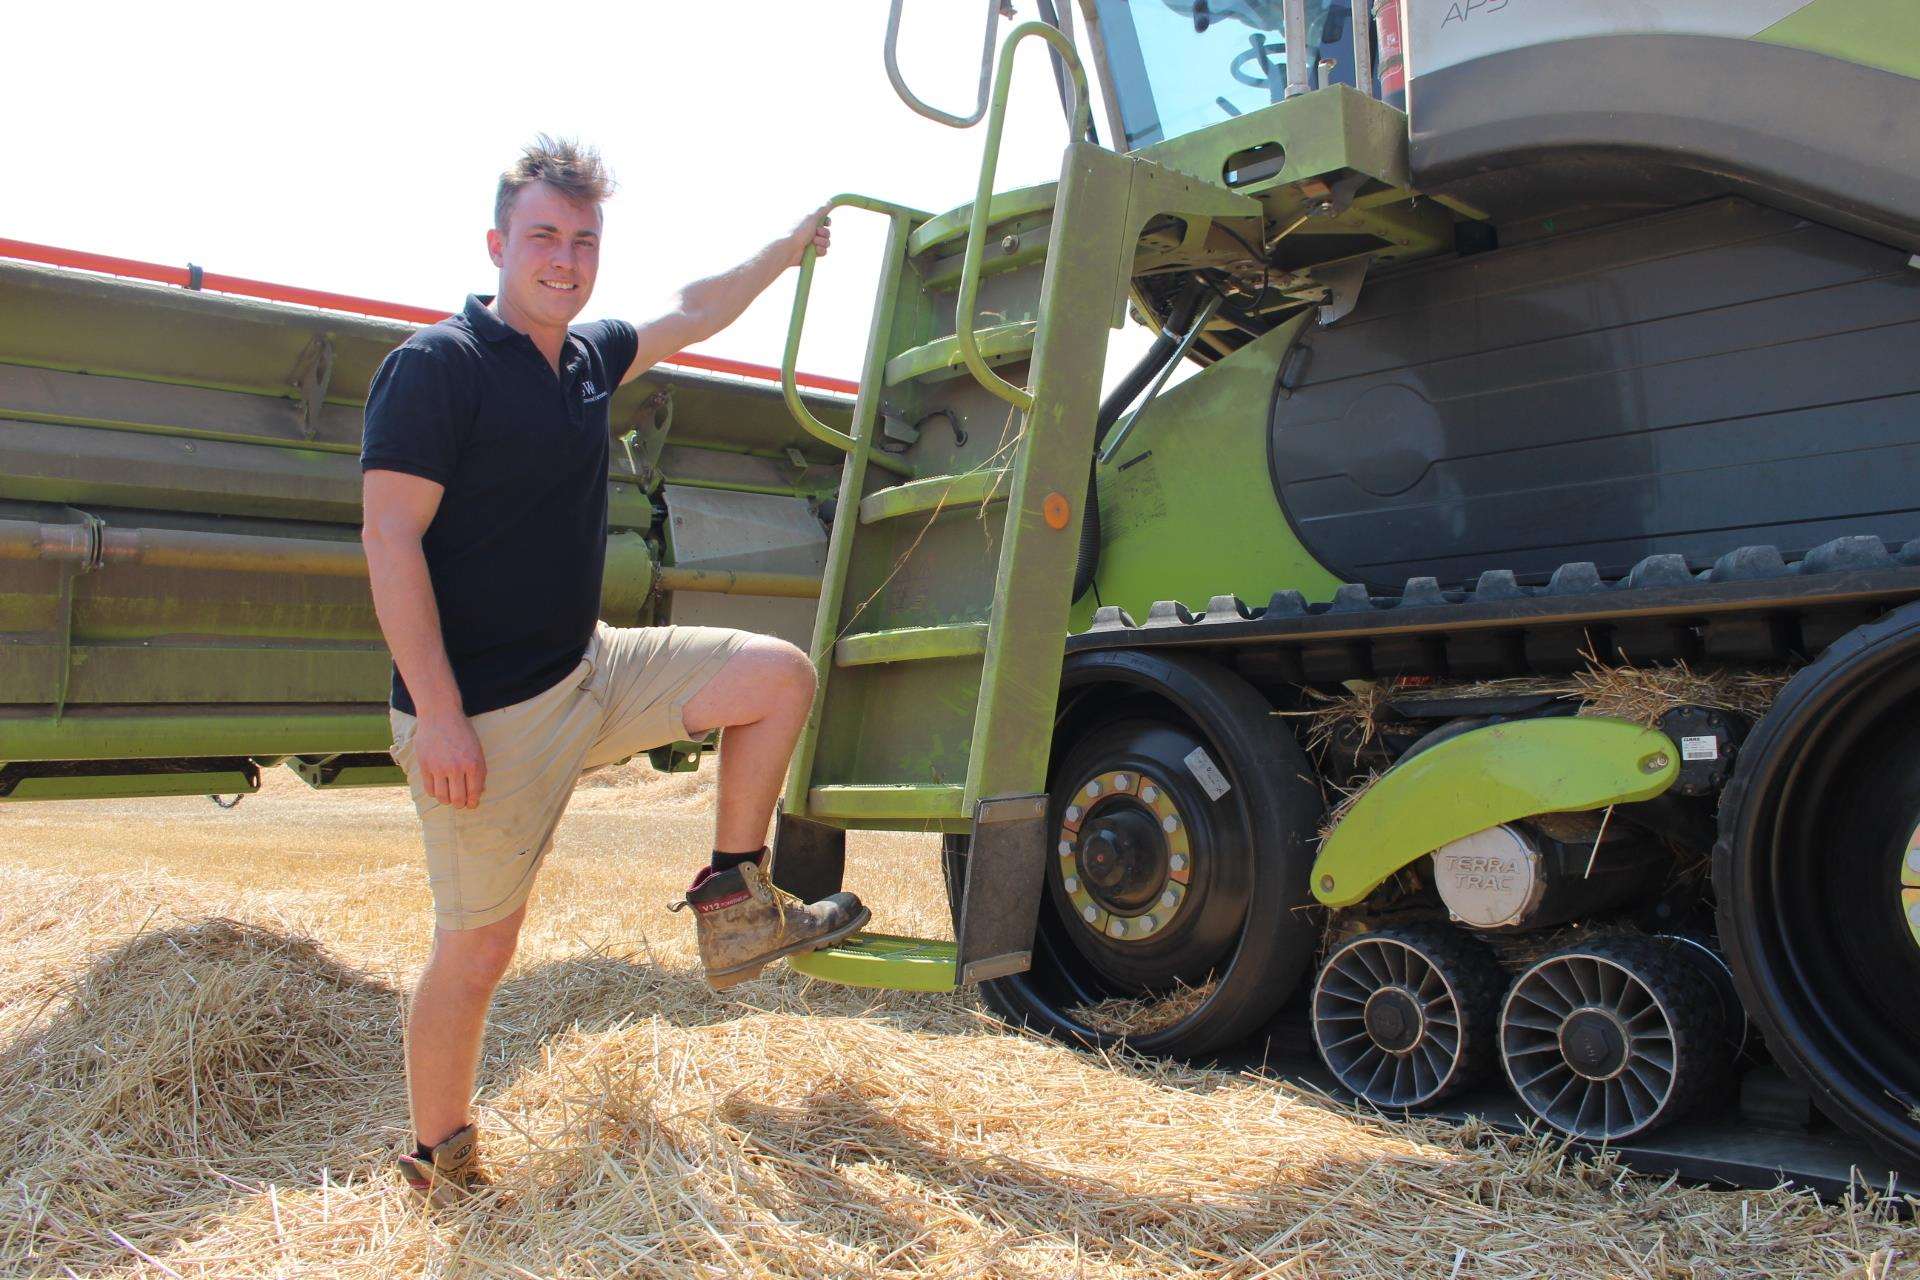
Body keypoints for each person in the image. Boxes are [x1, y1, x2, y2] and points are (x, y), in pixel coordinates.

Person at [359, 136, 867, 1202]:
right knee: (477, 952)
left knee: (775, 675)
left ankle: (737, 902)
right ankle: (440, 1161)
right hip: (486, 719)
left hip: (588, 668)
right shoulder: (436, 367)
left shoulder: (587, 360)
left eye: (584, 239)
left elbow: (691, 309)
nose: (565, 257)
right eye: (543, 235)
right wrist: (440, 715)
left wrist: (785, 252)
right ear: (498, 243)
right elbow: (390, 540)